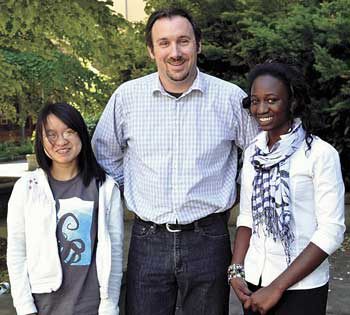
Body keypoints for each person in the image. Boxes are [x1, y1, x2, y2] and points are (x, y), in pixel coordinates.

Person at [92, 7, 258, 315]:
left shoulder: (230, 98)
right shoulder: (127, 98)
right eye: (164, 43)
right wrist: (133, 187)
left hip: (210, 239)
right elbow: (104, 153)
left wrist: (237, 190)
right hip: (147, 239)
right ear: (151, 49)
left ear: (198, 44)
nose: (175, 52)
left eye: (183, 41)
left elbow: (258, 156)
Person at [229, 62, 346, 315]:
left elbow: (332, 231)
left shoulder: (319, 155)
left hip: (302, 288)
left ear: (292, 102)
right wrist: (236, 270)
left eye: (272, 100)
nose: (261, 109)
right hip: (253, 283)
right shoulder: (253, 153)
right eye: (255, 101)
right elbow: (247, 217)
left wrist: (277, 287)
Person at [7, 103, 124, 315]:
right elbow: (17, 253)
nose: (61, 141)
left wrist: (109, 306)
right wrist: (25, 308)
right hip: (43, 307)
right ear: (41, 140)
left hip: (91, 307)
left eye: (69, 131)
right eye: (51, 134)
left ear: (81, 135)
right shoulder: (27, 188)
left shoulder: (105, 188)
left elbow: (114, 252)